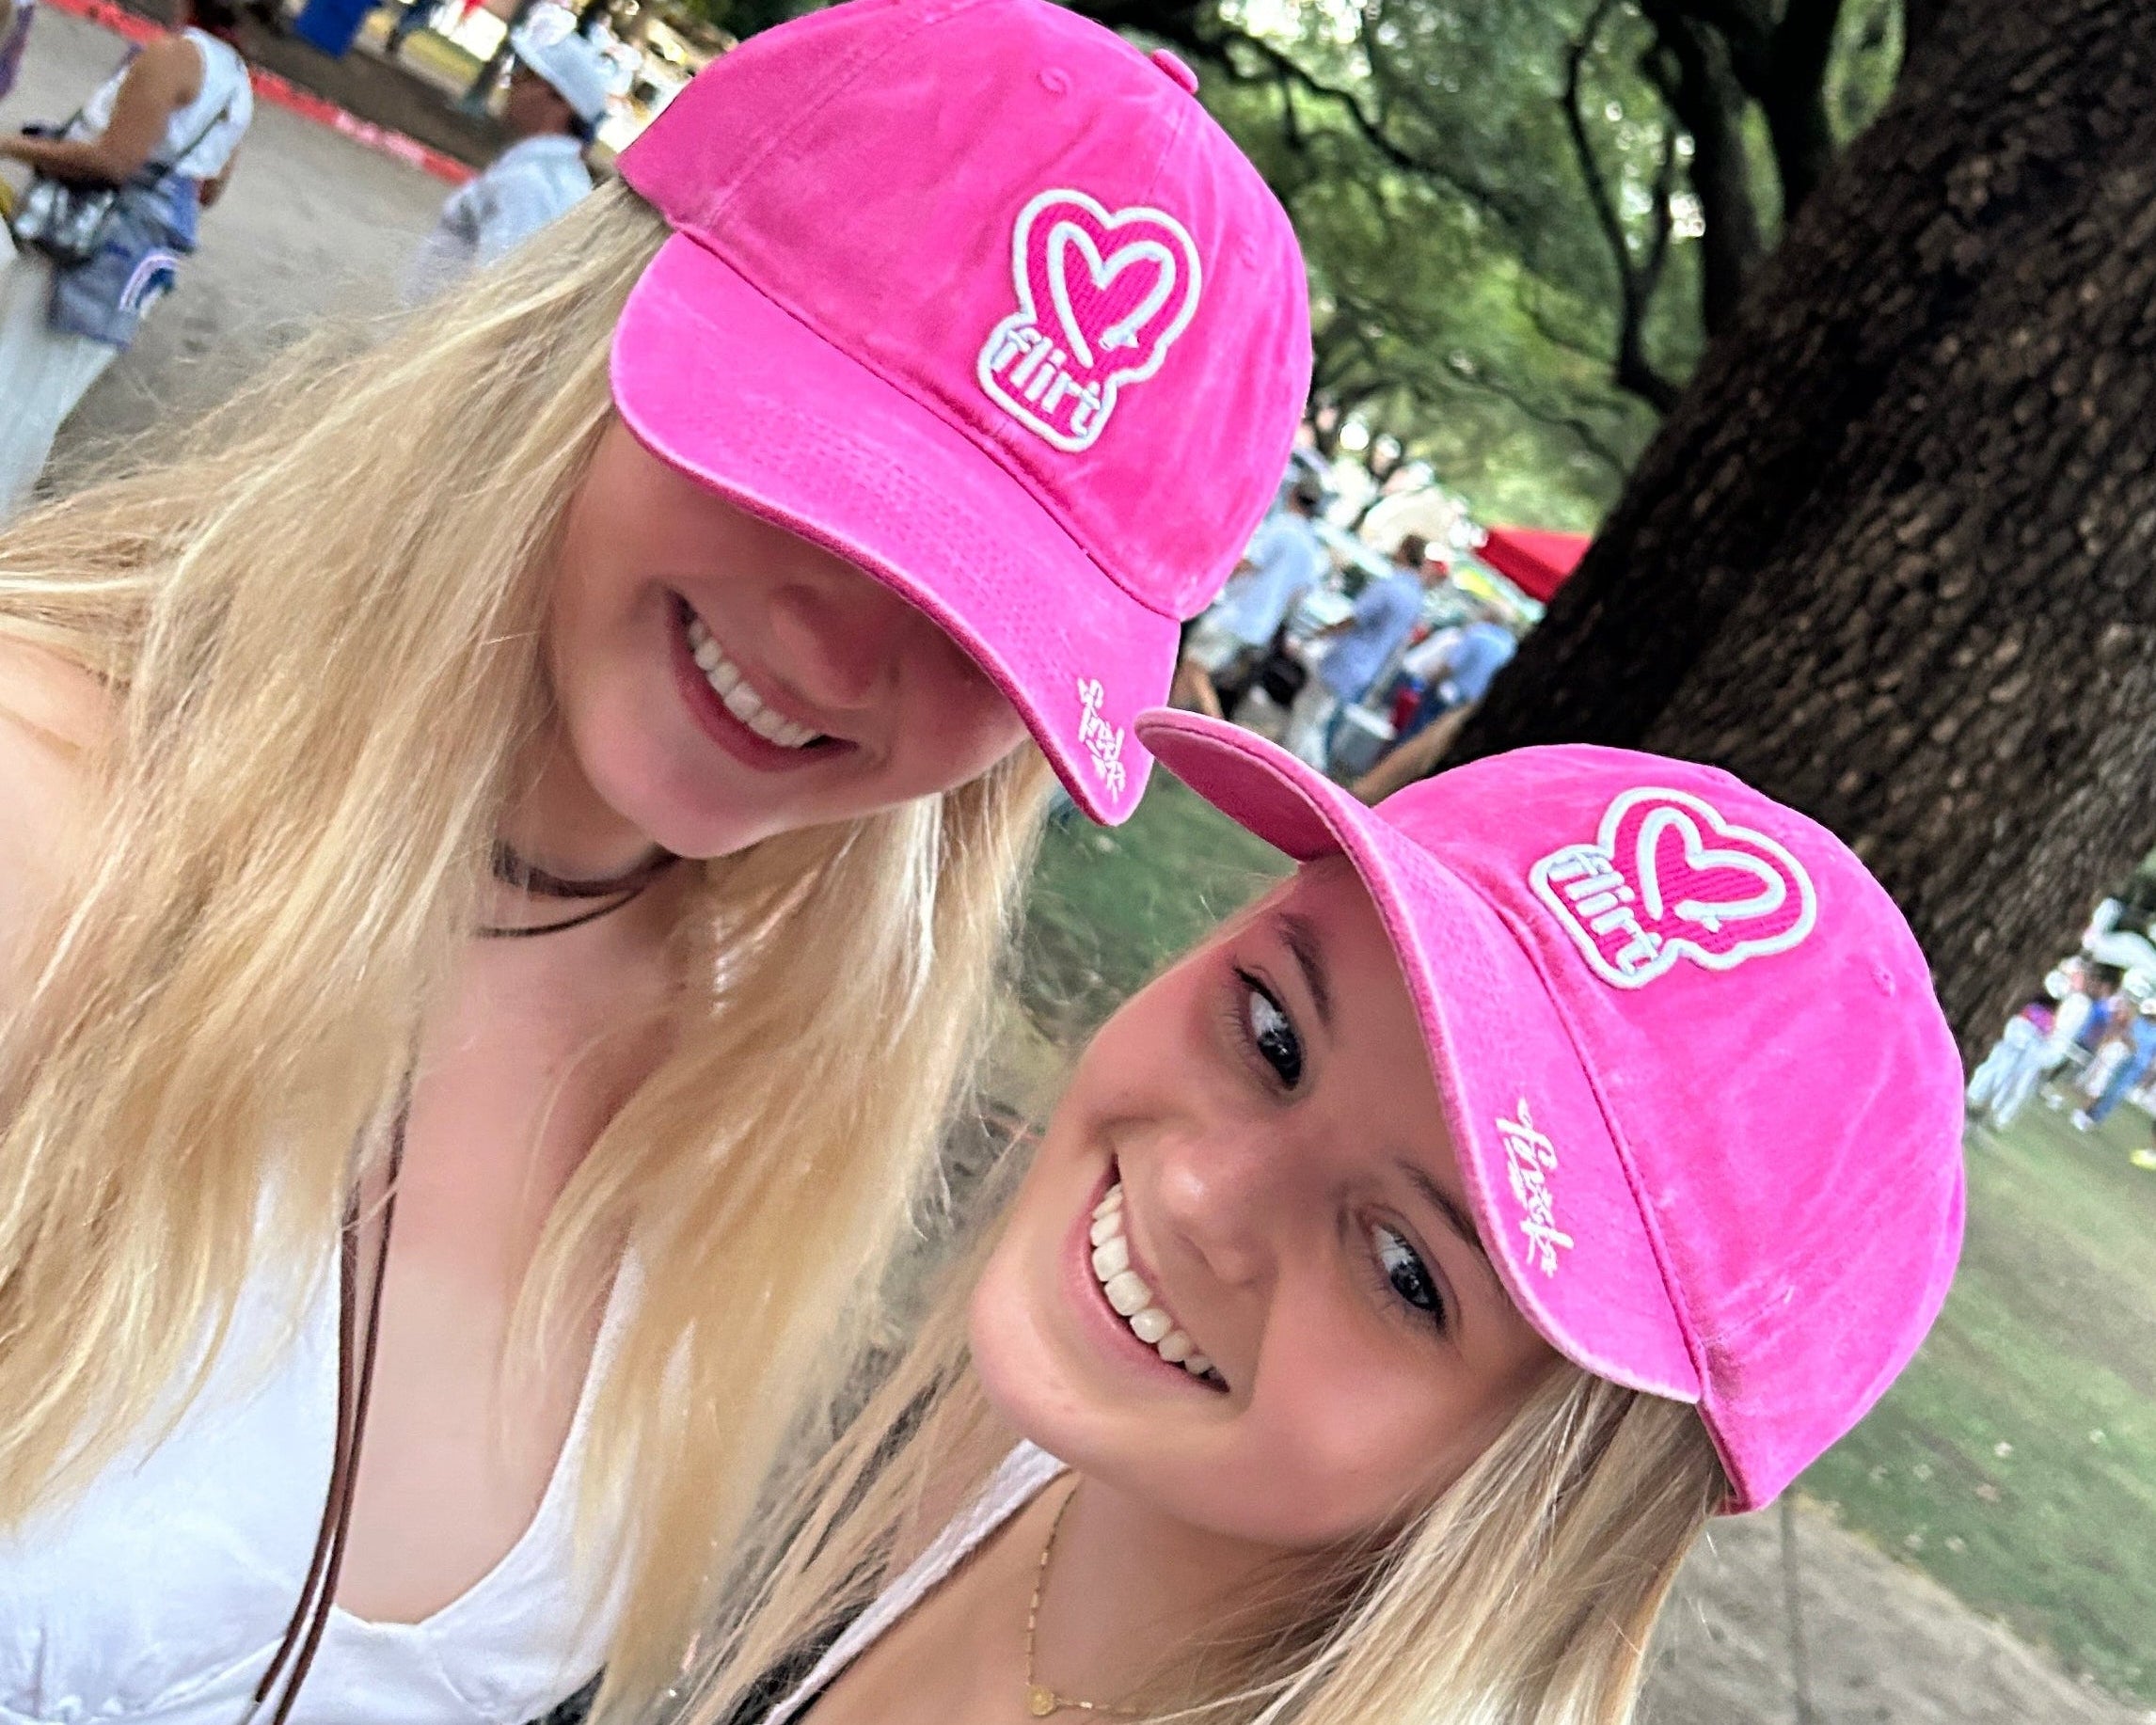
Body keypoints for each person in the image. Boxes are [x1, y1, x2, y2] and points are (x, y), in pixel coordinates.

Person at [0, 4, 1310, 1720]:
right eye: (811, 479)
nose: (843, 662)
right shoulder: (49, 813)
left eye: (980, 610)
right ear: (594, 328)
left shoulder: (763, 1100)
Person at [655, 710, 1966, 1725]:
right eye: (1274, 1030)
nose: (1200, 1191)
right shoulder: (1020, 1467)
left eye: (1407, 1268)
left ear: (1557, 1484)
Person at [0, 0, 252, 514]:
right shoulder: (239, 82)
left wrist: (14, 146)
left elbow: (113, 160)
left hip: (89, 243)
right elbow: (208, 191)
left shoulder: (176, 57)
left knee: (16, 377)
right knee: (43, 397)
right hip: (138, 263)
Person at [403, 20, 610, 304]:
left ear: (561, 103)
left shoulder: (530, 182)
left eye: (526, 75)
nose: (512, 81)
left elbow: (496, 296)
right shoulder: (565, 179)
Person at [1279, 531, 1436, 770]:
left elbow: (1355, 617)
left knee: (1308, 714)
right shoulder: (1415, 598)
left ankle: (1298, 766)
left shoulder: (1389, 586)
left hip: (1347, 658)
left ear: (1403, 551)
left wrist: (1319, 634)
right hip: (1368, 667)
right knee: (1319, 718)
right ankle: (1310, 767)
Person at [1184, 468, 1329, 715]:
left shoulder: (1281, 527)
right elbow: (1300, 594)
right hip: (1261, 625)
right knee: (1187, 680)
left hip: (1236, 613)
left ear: (1293, 493)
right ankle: (1164, 740)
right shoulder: (1311, 547)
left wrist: (1205, 583)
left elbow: (1247, 563)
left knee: (1195, 669)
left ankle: (1216, 733)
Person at [2072, 997, 2156, 1130]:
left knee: (2116, 1093)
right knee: (2103, 1085)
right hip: (2122, 1058)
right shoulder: (2137, 1022)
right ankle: (2085, 1112)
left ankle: (2094, 1116)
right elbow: (2123, 1033)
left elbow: (2152, 1055)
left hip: (2137, 1067)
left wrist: (2146, 1076)